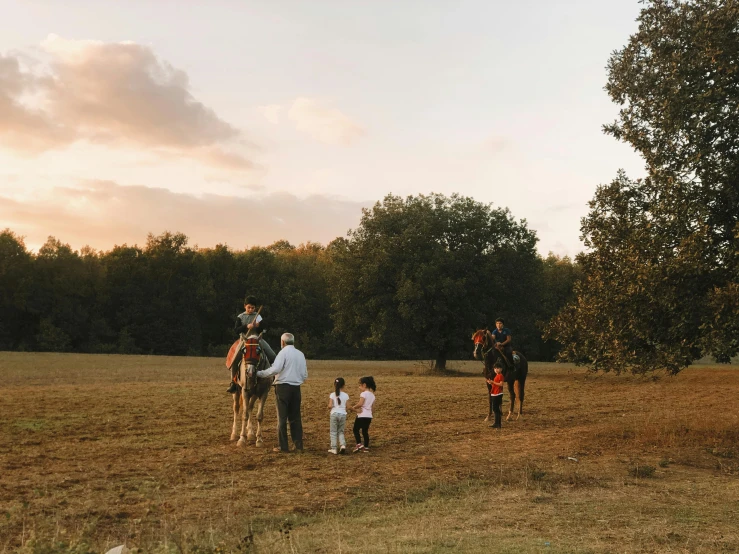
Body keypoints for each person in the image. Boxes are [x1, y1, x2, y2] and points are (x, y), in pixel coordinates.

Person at [256, 332, 307, 453]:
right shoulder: (300, 354)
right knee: (295, 418)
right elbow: (305, 374)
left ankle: (283, 446)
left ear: (282, 342)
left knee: (282, 418)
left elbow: (276, 369)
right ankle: (298, 445)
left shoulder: (282, 353)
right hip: (296, 388)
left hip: (283, 388)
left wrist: (260, 373)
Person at [227, 296, 276, 393]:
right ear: (245, 306)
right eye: (249, 307)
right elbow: (236, 330)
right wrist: (246, 326)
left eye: (253, 308)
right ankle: (233, 382)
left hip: (257, 339)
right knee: (235, 359)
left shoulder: (258, 316)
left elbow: (265, 328)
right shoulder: (240, 316)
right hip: (244, 340)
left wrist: (259, 327)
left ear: (255, 308)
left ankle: (274, 378)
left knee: (272, 355)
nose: (250, 309)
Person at [351, 376, 376, 453]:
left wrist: (353, 407)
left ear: (364, 385)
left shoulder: (363, 394)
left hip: (362, 415)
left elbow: (360, 404)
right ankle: (366, 446)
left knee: (355, 429)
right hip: (369, 416)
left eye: (360, 385)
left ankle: (359, 444)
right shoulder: (372, 395)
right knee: (365, 431)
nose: (359, 387)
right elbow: (372, 408)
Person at [327, 377, 349, 455]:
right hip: (343, 414)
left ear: (334, 385)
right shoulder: (346, 395)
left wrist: (330, 406)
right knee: (341, 431)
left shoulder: (332, 395)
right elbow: (347, 406)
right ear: (343, 385)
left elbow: (329, 406)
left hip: (334, 414)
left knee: (333, 431)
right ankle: (342, 445)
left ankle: (334, 448)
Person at [486, 361, 505, 428]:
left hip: (497, 394)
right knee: (496, 409)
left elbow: (501, 384)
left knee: (495, 409)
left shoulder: (500, 376)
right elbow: (496, 384)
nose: (496, 369)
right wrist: (490, 383)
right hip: (495, 393)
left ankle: (497, 423)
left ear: (501, 369)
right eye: (495, 368)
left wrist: (493, 382)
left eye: (498, 368)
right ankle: (497, 423)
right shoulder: (497, 376)